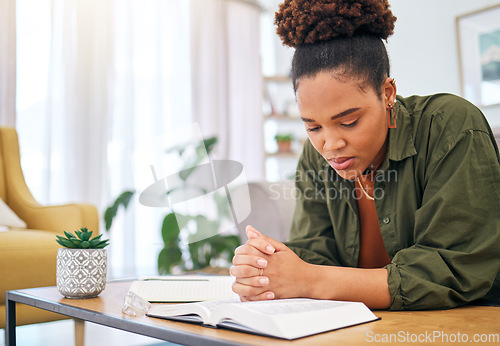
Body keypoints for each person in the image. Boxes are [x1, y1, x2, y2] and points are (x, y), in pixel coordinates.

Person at [230, 0, 500, 310]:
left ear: (387, 93)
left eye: (348, 122)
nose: (330, 145)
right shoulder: (315, 157)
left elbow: (454, 269)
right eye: (314, 127)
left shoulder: (450, 127)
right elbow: (316, 252)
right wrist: (269, 267)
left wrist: (310, 280)